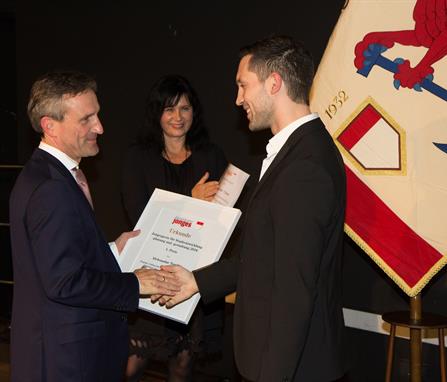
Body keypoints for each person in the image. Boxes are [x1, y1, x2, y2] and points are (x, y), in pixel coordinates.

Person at [159, 36, 349, 381]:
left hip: (291, 368)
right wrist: (197, 282)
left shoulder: (304, 166)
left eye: (243, 86)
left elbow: (294, 292)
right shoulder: (295, 152)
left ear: (273, 83)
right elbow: (263, 259)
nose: (238, 99)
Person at [9, 71, 178, 382]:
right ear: (50, 125)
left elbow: (55, 261)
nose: (99, 127)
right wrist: (136, 284)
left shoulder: (48, 175)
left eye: (97, 115)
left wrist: (112, 250)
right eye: (86, 119)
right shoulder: (51, 188)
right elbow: (64, 282)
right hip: (68, 362)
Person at [121, 74, 228, 381]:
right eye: (169, 109)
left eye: (185, 108)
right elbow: (141, 217)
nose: (178, 117)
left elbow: (220, 221)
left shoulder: (212, 155)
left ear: (194, 113)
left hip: (194, 277)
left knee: (182, 368)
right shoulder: (137, 158)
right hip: (152, 275)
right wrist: (192, 201)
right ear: (157, 114)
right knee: (131, 367)